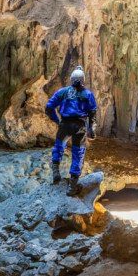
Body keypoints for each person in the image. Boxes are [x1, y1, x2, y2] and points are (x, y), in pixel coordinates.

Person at [45, 65, 97, 195]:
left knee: (58, 146)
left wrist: (57, 120)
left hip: (65, 124)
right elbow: (92, 113)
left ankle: (56, 172)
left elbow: (49, 107)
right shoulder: (88, 94)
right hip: (79, 126)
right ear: (83, 79)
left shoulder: (62, 92)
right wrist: (91, 128)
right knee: (78, 152)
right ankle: (72, 186)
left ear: (71, 79)